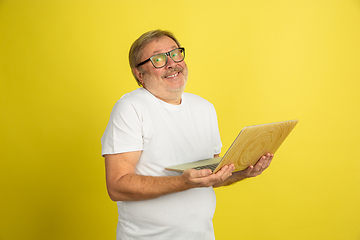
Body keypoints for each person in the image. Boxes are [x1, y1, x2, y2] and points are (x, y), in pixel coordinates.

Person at [101, 29, 273, 240]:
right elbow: (117, 186)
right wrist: (183, 182)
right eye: (158, 59)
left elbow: (210, 177)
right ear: (139, 74)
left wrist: (243, 173)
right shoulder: (130, 107)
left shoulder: (205, 107)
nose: (172, 63)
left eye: (175, 53)